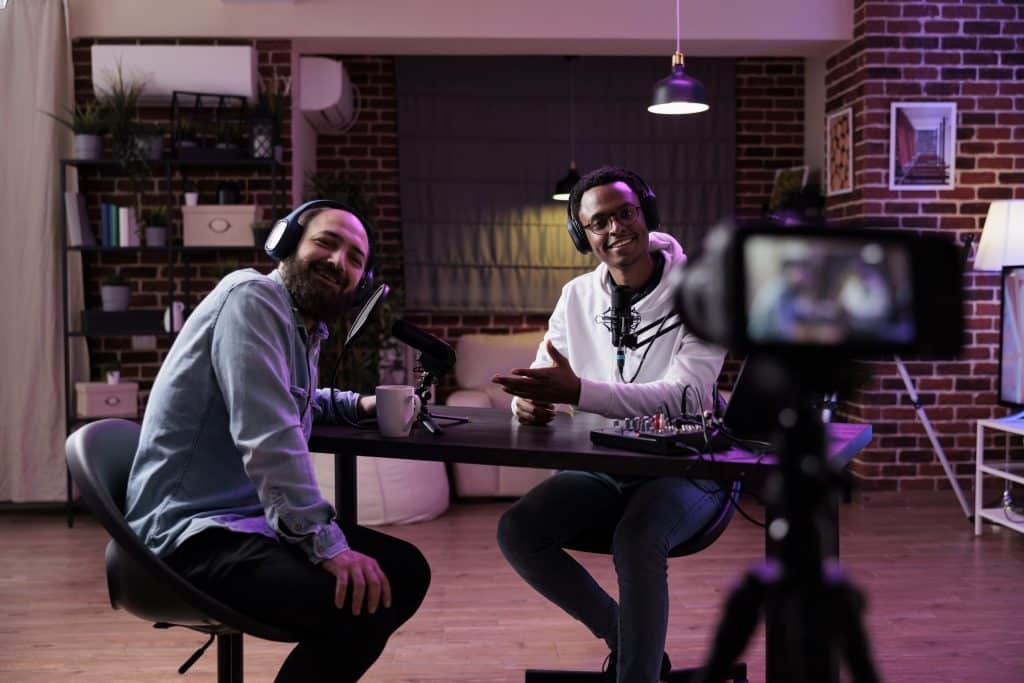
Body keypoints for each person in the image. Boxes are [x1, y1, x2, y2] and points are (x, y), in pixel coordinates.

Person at [124, 200, 430, 682]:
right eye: (326, 243)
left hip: (245, 524)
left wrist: (361, 405)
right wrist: (328, 547)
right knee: (362, 604)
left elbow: (294, 398)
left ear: (362, 282)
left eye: (355, 259)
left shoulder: (301, 327)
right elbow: (269, 435)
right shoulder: (253, 298)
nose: (338, 261)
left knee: (405, 571)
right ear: (285, 243)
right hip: (191, 536)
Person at [492, 167, 728, 683]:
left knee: (637, 537)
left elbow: (687, 396)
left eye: (625, 213)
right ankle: (627, 638)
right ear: (584, 236)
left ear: (646, 214)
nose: (615, 228)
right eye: (599, 222)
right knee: (518, 530)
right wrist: (527, 405)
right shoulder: (576, 296)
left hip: (688, 469)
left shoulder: (703, 293)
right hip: (603, 465)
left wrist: (579, 392)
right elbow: (544, 374)